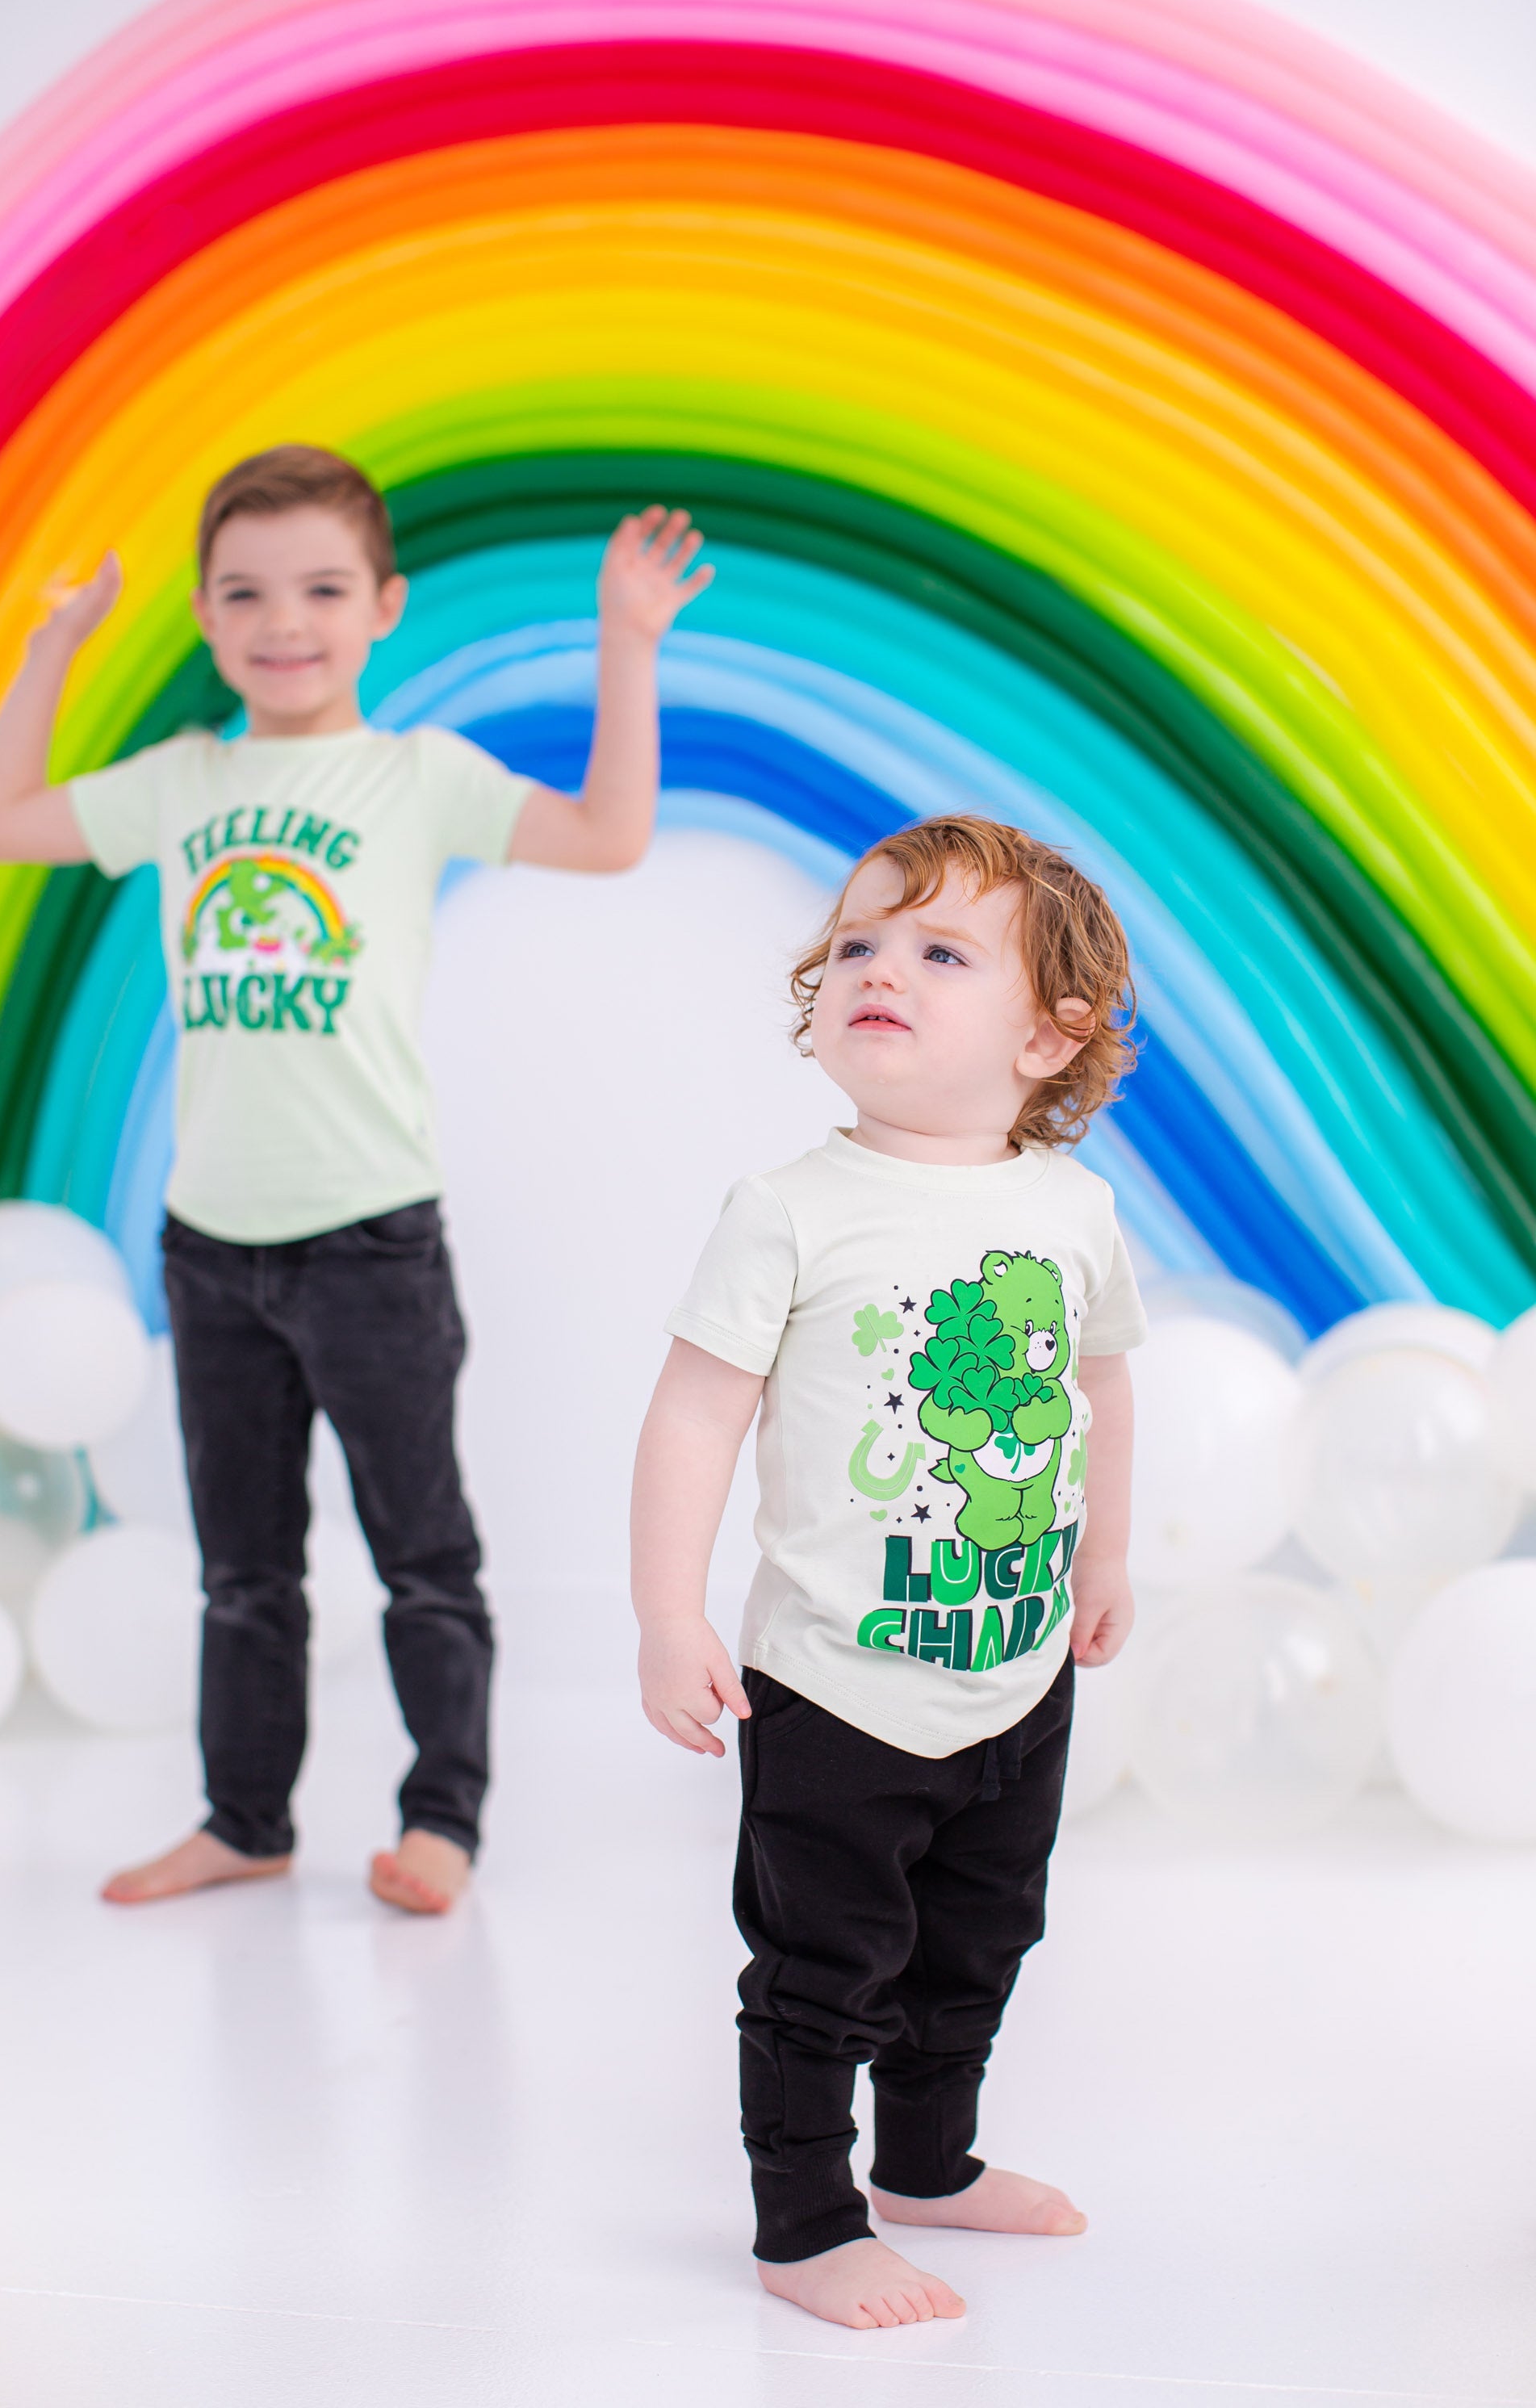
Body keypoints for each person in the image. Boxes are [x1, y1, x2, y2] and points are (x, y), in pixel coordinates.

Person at [0, 444, 711, 1914]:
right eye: (244, 593)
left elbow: (608, 837)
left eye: (319, 588)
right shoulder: (183, 783)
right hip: (211, 1245)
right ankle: (245, 1821)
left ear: (383, 607)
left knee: (422, 1553)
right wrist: (51, 645)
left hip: (372, 1244)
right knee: (244, 1570)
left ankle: (445, 1821)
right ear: (203, 615)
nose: (282, 620)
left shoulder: (414, 777)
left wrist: (626, 643)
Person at [629, 812, 1145, 2329]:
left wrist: (1106, 1553)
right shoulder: (789, 1209)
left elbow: (1102, 1386)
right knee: (822, 1968)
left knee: (982, 1940)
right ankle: (804, 2225)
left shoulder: (1073, 1212)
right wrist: (667, 1613)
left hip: (1019, 1674)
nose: (878, 968)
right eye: (856, 941)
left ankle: (927, 2162)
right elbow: (694, 1414)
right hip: (836, 1688)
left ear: (1050, 1037)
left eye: (939, 951)